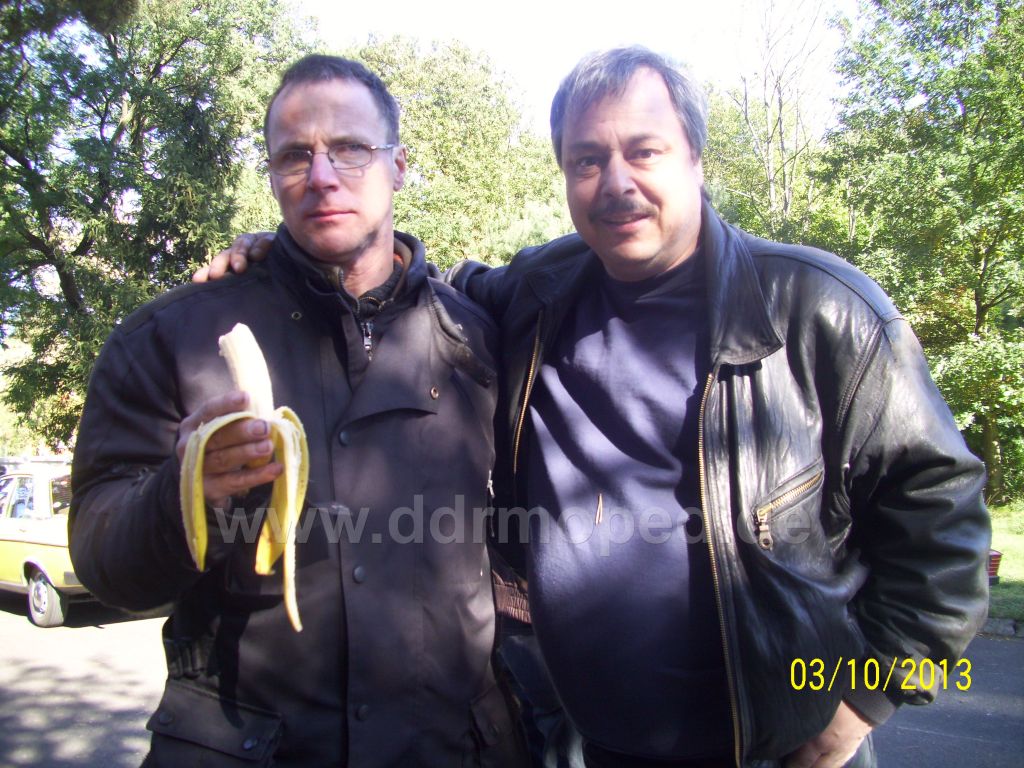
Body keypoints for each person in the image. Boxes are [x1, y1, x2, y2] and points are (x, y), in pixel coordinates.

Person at [203, 47, 990, 768]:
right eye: (586, 160)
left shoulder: (820, 311)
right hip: (590, 745)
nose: (615, 183)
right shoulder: (534, 296)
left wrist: (864, 702)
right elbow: (404, 281)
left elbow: (943, 517)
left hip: (779, 750)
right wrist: (284, 253)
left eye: (643, 151)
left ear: (695, 158)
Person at [70, 54, 527, 768]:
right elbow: (103, 563)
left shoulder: (477, 337)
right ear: (272, 175)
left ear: (399, 165)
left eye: (350, 149)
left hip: (453, 748)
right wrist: (180, 494)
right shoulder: (170, 337)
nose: (321, 176)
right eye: (294, 155)